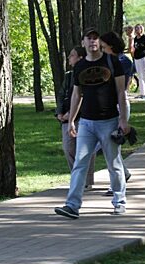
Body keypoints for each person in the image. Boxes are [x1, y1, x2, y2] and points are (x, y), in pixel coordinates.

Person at [54, 27, 130, 219]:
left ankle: (119, 201)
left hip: (109, 121)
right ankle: (72, 205)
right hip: (86, 123)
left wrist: (123, 120)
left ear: (100, 43)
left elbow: (122, 93)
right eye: (89, 38)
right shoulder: (79, 67)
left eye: (96, 38)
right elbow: (76, 95)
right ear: (83, 43)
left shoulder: (112, 62)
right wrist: (71, 120)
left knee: (114, 163)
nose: (93, 41)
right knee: (80, 163)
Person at [56, 46, 96, 190]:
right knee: (68, 148)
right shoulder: (68, 76)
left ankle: (86, 181)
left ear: (80, 58)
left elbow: (84, 97)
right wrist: (60, 113)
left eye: (72, 55)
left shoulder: (87, 74)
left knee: (86, 149)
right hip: (66, 118)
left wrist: (73, 114)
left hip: (83, 117)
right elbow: (61, 95)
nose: (69, 58)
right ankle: (77, 176)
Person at [99, 31, 133, 196]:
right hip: (107, 106)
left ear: (111, 46)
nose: (101, 49)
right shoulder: (106, 61)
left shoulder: (122, 61)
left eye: (103, 46)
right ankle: (123, 174)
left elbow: (120, 87)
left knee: (111, 147)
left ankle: (116, 184)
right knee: (110, 148)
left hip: (119, 106)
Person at [133, 24, 145, 100]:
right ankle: (142, 93)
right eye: (136, 28)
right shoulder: (135, 39)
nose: (137, 30)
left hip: (143, 57)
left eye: (138, 28)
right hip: (137, 58)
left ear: (141, 29)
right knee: (140, 75)